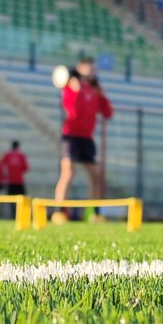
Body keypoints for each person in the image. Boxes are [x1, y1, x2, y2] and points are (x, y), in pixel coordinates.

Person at [53, 59, 112, 220]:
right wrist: (77, 90)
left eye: (95, 70)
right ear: (81, 70)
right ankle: (60, 212)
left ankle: (93, 212)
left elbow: (108, 113)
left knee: (96, 175)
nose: (94, 73)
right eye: (90, 69)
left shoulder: (94, 91)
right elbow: (73, 112)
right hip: (71, 136)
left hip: (87, 138)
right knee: (68, 172)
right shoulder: (70, 88)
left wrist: (102, 94)